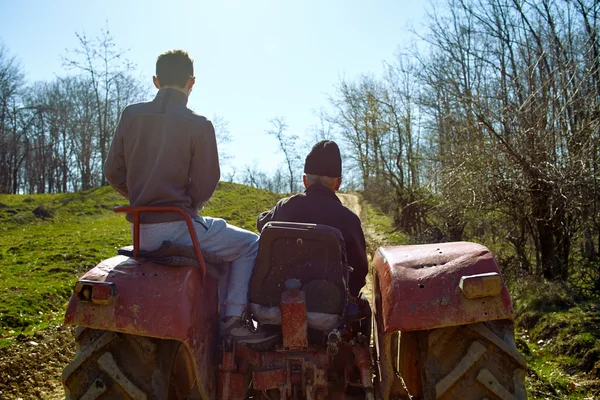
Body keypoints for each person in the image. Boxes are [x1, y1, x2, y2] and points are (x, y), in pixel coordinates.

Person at [103, 50, 275, 344]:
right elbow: (206, 184)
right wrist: (189, 203)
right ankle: (233, 320)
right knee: (249, 244)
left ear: (156, 81)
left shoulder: (131, 115)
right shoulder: (199, 125)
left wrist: (141, 197)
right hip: (180, 226)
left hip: (140, 232)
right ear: (191, 82)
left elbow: (113, 172)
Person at [257, 140, 368, 298]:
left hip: (280, 300)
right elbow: (360, 268)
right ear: (338, 184)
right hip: (330, 306)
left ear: (305, 181)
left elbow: (262, 223)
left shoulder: (285, 207)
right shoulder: (348, 219)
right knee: (362, 304)